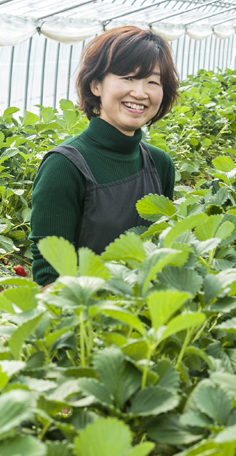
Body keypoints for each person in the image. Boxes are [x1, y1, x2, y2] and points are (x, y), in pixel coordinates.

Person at [30, 26, 180, 287]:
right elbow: (50, 278)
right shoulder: (64, 166)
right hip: (86, 317)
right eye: (128, 78)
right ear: (95, 85)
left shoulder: (160, 164)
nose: (141, 92)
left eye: (153, 82)